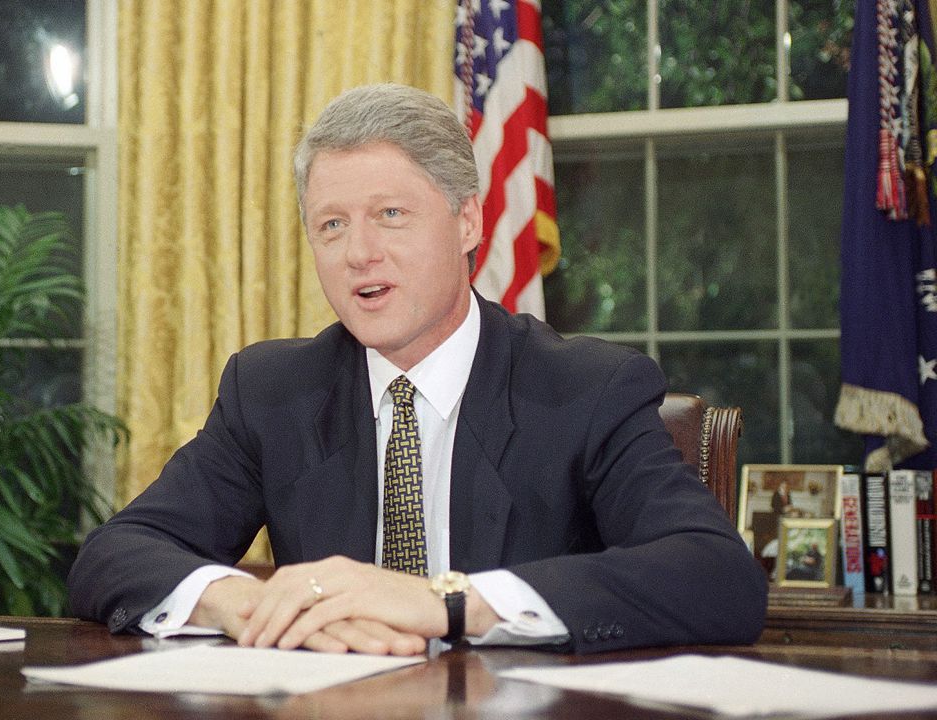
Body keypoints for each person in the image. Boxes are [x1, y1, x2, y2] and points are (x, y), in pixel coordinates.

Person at [68, 83, 768, 655]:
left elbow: (716, 577)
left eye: (390, 214)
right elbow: (114, 555)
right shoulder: (273, 391)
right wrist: (251, 603)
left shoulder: (585, 389)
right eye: (331, 225)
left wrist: (447, 604)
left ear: (468, 223)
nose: (358, 253)